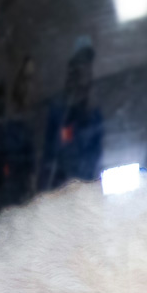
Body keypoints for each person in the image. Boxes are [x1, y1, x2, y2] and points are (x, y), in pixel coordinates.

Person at [40, 37, 103, 191]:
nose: (84, 69)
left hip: (86, 194)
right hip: (59, 194)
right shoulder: (58, 111)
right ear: (72, 68)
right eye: (80, 63)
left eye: (87, 63)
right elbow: (49, 157)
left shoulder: (95, 116)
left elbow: (96, 157)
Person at [0, 56, 38, 210]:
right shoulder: (5, 125)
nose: (28, 87)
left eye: (31, 81)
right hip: (8, 201)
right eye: (25, 80)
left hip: (24, 201)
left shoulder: (31, 126)